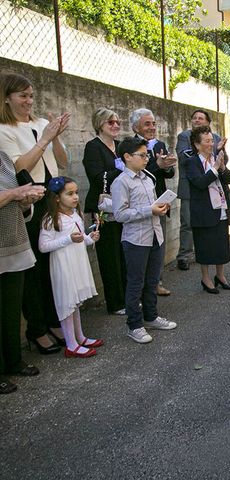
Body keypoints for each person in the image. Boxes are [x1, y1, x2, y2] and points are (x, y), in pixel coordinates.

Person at [0, 72, 70, 354]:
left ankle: (54, 322)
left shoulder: (43, 124)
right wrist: (44, 140)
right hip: (28, 199)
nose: (29, 101)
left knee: (53, 264)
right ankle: (37, 330)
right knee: (33, 268)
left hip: (52, 197)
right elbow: (18, 169)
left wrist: (55, 138)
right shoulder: (4, 130)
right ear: (7, 98)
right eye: (23, 96)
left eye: (31, 96)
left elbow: (63, 162)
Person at [111, 136, 177, 344]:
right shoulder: (121, 182)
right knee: (135, 283)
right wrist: (149, 210)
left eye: (146, 155)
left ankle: (150, 316)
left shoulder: (148, 178)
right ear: (127, 157)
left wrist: (161, 207)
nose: (146, 158)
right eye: (141, 155)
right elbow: (120, 214)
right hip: (135, 239)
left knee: (152, 281)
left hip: (154, 235)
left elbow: (152, 206)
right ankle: (135, 325)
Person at [38, 177, 103, 358]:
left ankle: (80, 337)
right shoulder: (51, 219)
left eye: (76, 193)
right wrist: (68, 239)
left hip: (77, 263)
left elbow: (80, 237)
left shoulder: (75, 214)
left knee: (74, 303)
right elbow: (43, 246)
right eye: (70, 194)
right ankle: (71, 344)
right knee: (67, 303)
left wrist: (90, 238)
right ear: (57, 197)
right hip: (63, 265)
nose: (75, 197)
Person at [0, 150, 44, 393]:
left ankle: (13, 362)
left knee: (11, 310)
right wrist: (16, 193)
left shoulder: (4, 158)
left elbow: (16, 205)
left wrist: (26, 202)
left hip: (14, 244)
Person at [81, 107, 127, 315]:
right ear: (100, 124)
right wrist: (122, 169)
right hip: (103, 209)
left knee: (124, 253)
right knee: (109, 256)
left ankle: (127, 298)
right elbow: (97, 177)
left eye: (117, 122)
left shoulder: (120, 146)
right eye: (111, 122)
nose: (116, 125)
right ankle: (115, 303)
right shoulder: (93, 147)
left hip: (123, 205)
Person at [184, 125, 230, 294]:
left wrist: (221, 167)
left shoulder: (216, 158)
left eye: (212, 140)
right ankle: (205, 278)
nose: (211, 144)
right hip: (203, 211)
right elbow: (199, 183)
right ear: (197, 145)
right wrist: (214, 169)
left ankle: (220, 276)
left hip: (220, 207)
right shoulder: (192, 162)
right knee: (205, 246)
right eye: (206, 141)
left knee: (221, 245)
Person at [130, 108, 175, 296]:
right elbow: (139, 173)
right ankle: (141, 288)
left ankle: (156, 283)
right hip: (140, 206)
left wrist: (167, 166)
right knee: (142, 248)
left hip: (160, 201)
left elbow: (169, 174)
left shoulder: (160, 145)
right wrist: (158, 165)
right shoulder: (130, 146)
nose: (152, 127)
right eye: (147, 124)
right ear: (135, 127)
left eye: (154, 123)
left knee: (159, 246)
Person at [175, 109, 227, 271]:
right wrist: (203, 150)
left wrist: (217, 151)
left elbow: (224, 160)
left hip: (211, 189)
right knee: (188, 222)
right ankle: (184, 255)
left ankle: (203, 254)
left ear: (208, 122)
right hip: (191, 187)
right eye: (194, 118)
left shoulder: (216, 137)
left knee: (211, 223)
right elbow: (184, 157)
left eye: (201, 118)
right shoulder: (185, 136)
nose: (197, 120)